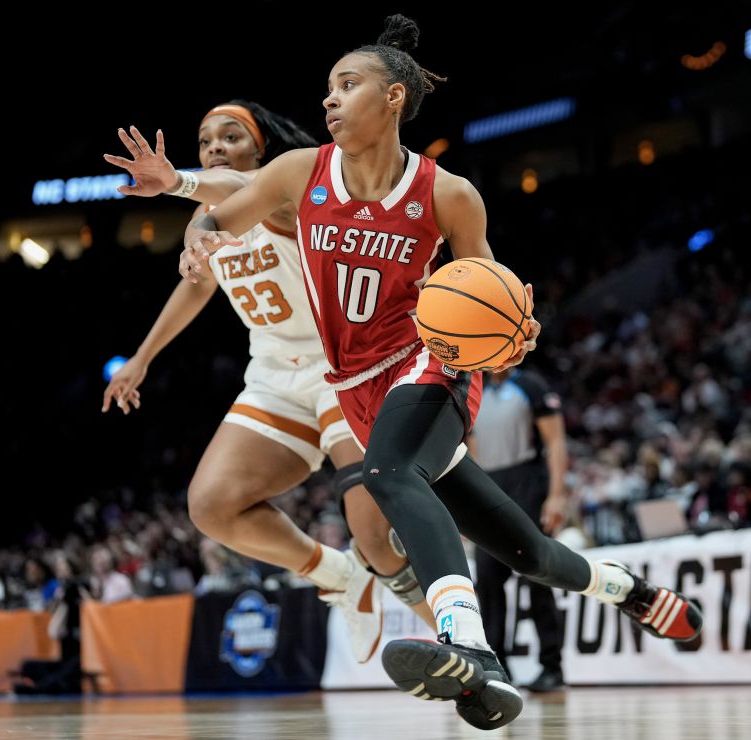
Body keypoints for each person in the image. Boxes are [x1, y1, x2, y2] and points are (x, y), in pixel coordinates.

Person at [174, 16, 704, 730]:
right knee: (529, 553)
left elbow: (487, 285)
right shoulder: (299, 173)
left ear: (394, 98)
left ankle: (472, 652)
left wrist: (512, 330)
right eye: (327, 88)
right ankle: (635, 593)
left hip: (428, 363)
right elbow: (216, 217)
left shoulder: (448, 193)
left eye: (347, 84)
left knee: (387, 480)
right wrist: (196, 244)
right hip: (353, 384)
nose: (329, 101)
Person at [102, 100, 434, 662]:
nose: (215, 147)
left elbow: (233, 184)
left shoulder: (282, 194)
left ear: (259, 148)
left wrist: (179, 180)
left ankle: (467, 641)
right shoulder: (205, 215)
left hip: (343, 367)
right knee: (211, 506)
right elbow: (198, 286)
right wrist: (143, 356)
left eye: (230, 136)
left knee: (376, 535)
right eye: (205, 140)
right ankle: (338, 577)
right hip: (276, 375)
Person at [470, 367, 568, 692]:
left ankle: (551, 666)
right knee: (487, 580)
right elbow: (467, 450)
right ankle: (497, 668)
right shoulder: (471, 387)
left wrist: (555, 495)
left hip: (527, 482)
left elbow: (555, 442)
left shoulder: (530, 384)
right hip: (488, 486)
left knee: (537, 577)